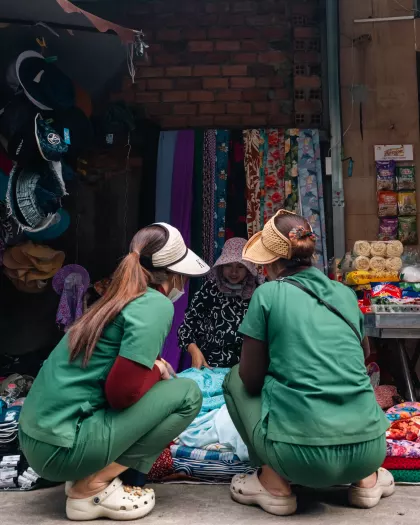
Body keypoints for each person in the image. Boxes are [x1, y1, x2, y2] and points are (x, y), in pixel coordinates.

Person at [19, 223, 210, 521]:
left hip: (37, 440)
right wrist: (158, 369)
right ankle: (93, 485)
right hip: (61, 449)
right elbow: (122, 395)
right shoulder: (154, 304)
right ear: (174, 274)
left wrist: (153, 368)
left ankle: (91, 473)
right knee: (188, 392)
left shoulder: (115, 297)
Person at [223, 210, 392, 517]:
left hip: (299, 459)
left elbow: (250, 379)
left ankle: (273, 482)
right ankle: (367, 481)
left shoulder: (267, 294)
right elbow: (362, 356)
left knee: (234, 377)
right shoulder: (344, 293)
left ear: (271, 262)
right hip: (369, 451)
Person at [178, 238, 258, 369]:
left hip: (247, 367)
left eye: (240, 266)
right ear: (221, 267)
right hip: (210, 365)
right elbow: (187, 327)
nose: (233, 272)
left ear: (248, 269)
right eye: (228, 265)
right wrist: (193, 350)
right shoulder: (210, 289)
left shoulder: (258, 292)